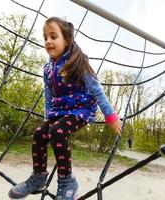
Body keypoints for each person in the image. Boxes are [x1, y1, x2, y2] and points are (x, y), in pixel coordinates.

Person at [8, 17, 122, 200]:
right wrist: (47, 116)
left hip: (80, 110)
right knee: (39, 133)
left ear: (67, 39)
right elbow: (48, 93)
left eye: (53, 36)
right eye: (45, 37)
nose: (48, 42)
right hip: (60, 110)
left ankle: (67, 182)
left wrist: (111, 117)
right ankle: (38, 176)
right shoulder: (47, 68)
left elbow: (97, 90)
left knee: (57, 132)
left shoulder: (77, 62)